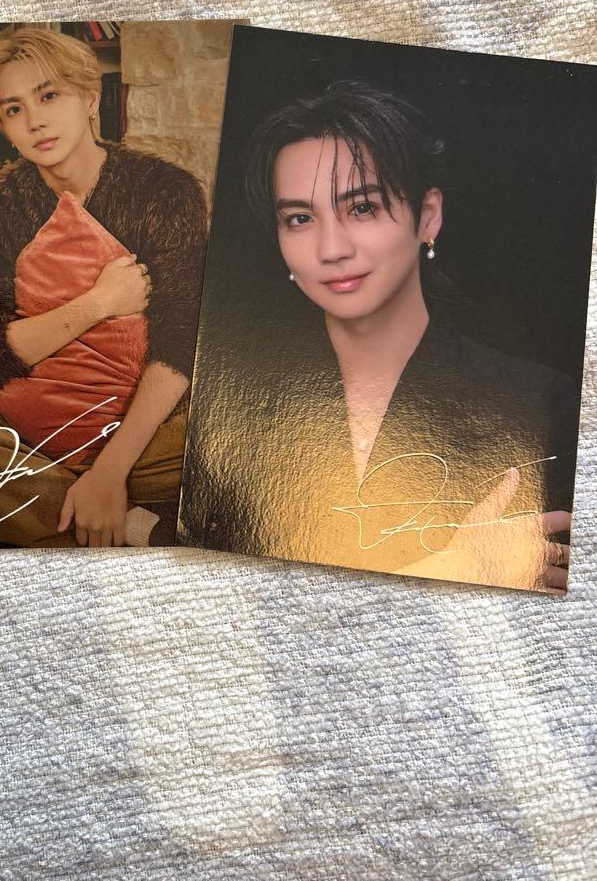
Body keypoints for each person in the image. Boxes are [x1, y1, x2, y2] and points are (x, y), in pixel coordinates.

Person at [186, 78, 573, 591]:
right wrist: (452, 572)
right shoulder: (229, 406)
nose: (331, 249)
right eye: (299, 218)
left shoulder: (542, 405)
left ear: (427, 216)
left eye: (362, 208)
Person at [0, 27, 209, 548]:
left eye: (49, 96)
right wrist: (97, 304)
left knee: (244, 432)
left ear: (90, 98)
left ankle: (69, 507)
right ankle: (132, 523)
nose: (35, 121)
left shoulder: (164, 190)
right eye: (14, 109)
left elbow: (181, 343)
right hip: (29, 426)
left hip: (144, 432)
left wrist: (110, 470)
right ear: (3, 124)